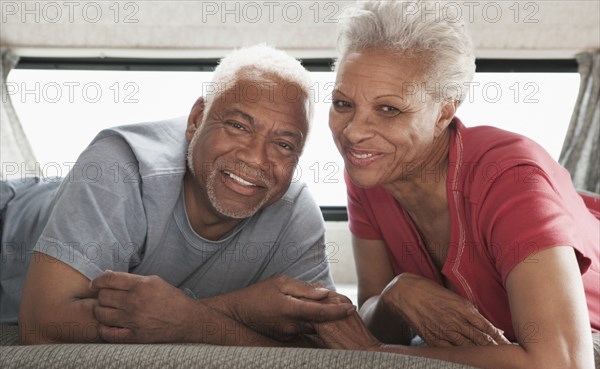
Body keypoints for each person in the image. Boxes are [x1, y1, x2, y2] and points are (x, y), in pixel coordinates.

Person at [313, 1, 599, 369]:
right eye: (343, 103)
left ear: (444, 111)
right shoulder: (369, 172)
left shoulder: (510, 178)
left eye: (389, 110)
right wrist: (398, 292)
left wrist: (382, 354)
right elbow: (374, 316)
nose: (354, 132)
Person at [1, 44, 355, 345]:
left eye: (282, 144)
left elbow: (316, 348)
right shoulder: (119, 165)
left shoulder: (294, 214)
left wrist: (190, 318)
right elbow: (43, 324)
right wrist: (233, 311)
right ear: (196, 120)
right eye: (237, 126)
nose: (256, 158)